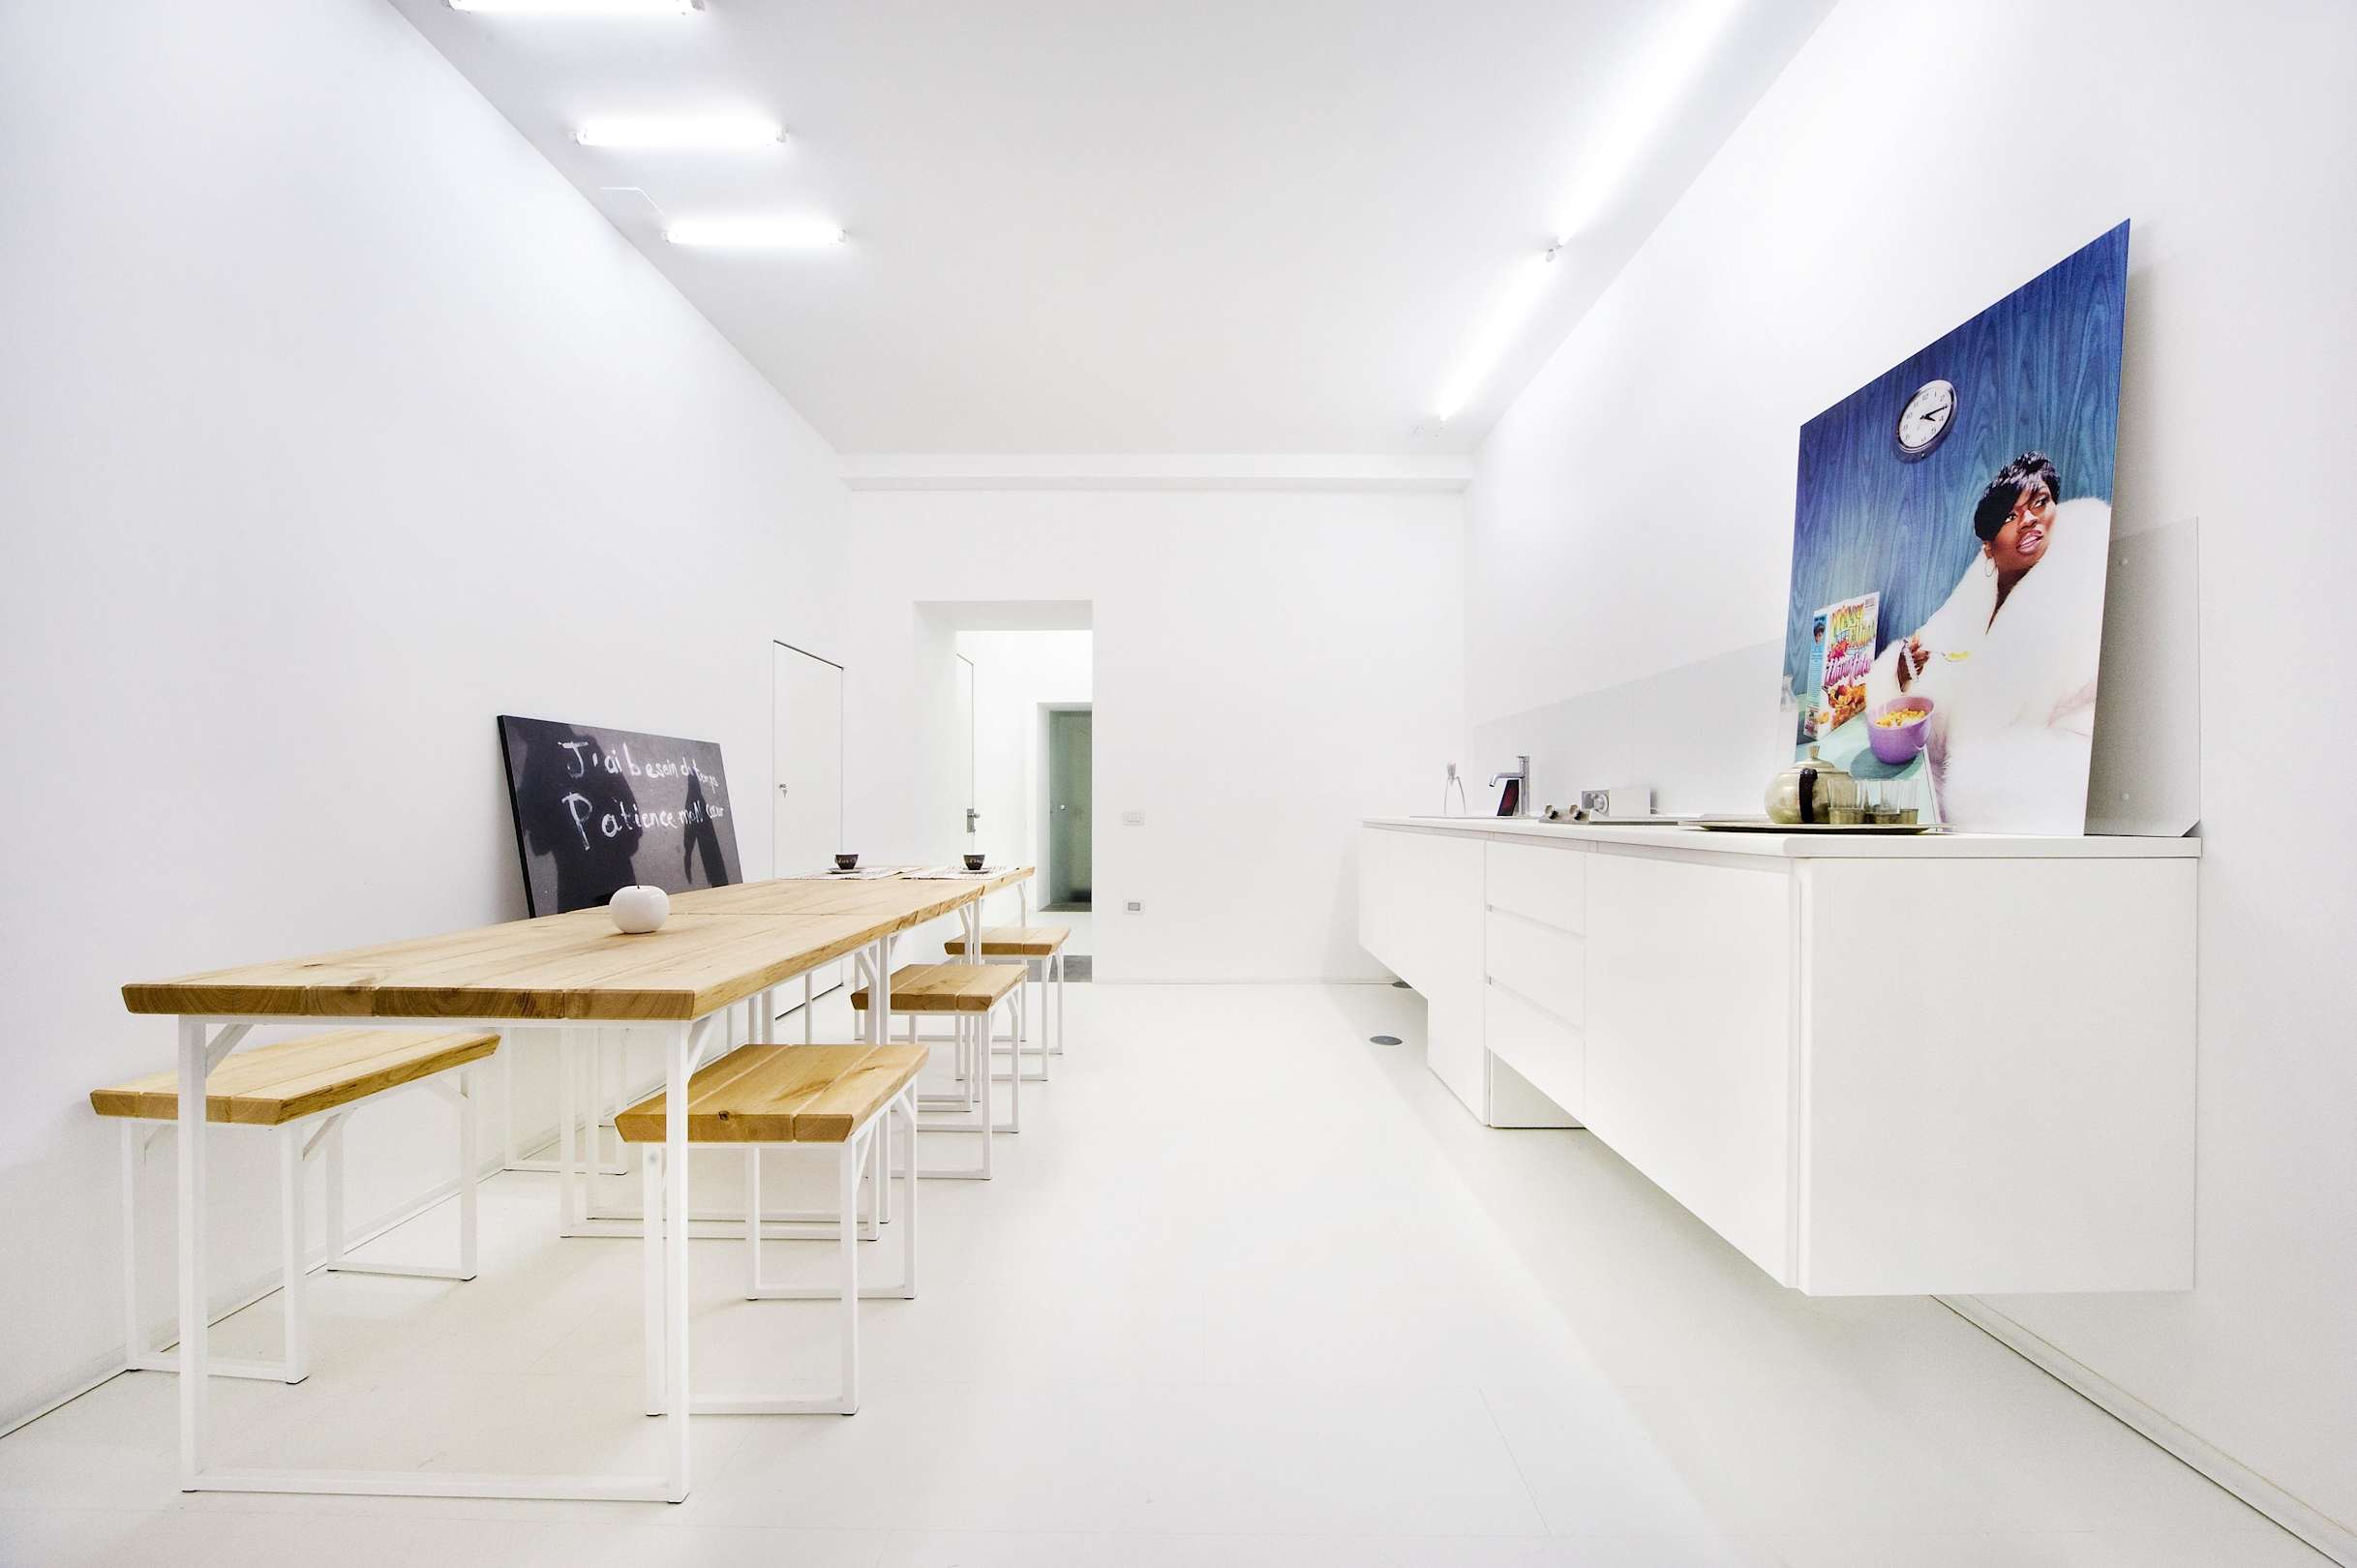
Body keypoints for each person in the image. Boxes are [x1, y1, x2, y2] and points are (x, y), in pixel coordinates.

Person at [1864, 452, 2108, 833]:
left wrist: (1982, 781)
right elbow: (1927, 685)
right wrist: (1902, 674)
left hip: (2034, 820)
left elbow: (2087, 739)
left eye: (2039, 502)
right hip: (1945, 808)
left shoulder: (2083, 580)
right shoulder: (1975, 593)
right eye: (2010, 516)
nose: (2029, 520)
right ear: (1988, 547)